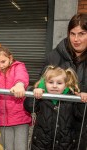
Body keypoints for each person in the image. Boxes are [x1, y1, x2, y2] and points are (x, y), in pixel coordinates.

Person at [35, 13, 87, 150]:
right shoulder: (54, 56)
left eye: (82, 34)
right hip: (52, 130)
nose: (76, 39)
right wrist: (35, 91)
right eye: (72, 33)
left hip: (82, 129)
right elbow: (40, 83)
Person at [0, 42, 31, 150]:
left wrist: (19, 84)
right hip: (3, 118)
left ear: (10, 58)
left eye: (3, 61)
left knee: (21, 147)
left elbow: (22, 76)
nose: (0, 66)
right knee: (7, 147)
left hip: (20, 117)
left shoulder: (18, 66)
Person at [24, 65, 81, 150]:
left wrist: (82, 100)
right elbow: (29, 107)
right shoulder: (41, 97)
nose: (54, 86)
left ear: (65, 85)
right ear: (45, 83)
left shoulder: (72, 98)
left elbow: (80, 114)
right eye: (50, 82)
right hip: (41, 143)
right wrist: (34, 92)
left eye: (59, 83)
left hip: (65, 144)